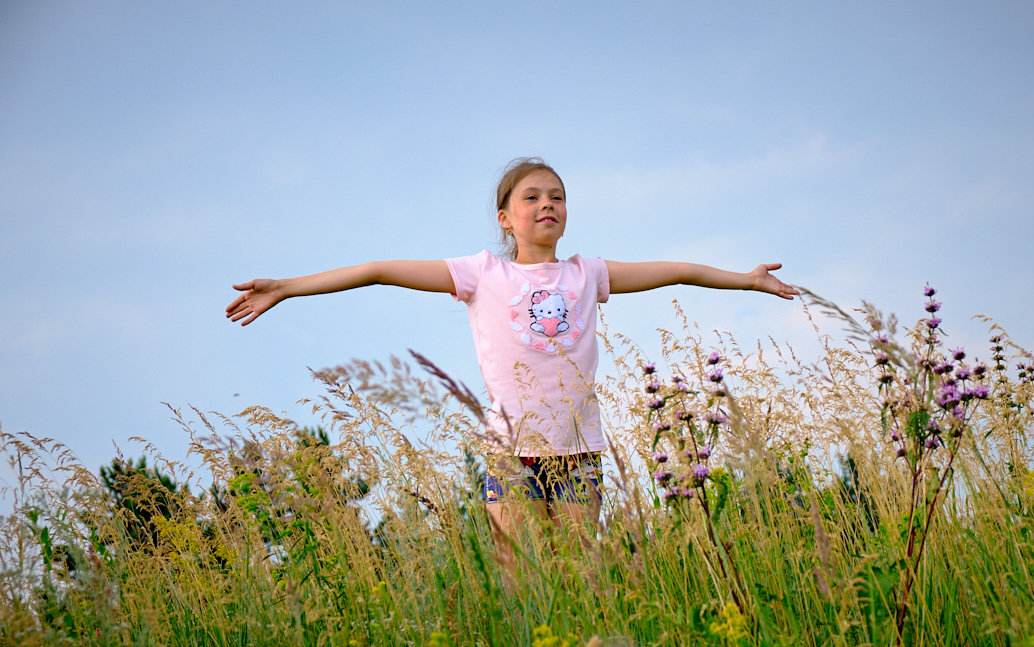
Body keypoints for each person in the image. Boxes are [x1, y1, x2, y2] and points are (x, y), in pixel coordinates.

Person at [226, 157, 798, 568]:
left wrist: (746, 282)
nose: (547, 203)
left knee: (576, 577)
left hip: (579, 450)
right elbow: (378, 268)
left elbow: (679, 270)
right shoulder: (482, 274)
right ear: (505, 218)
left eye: (557, 195)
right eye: (531, 196)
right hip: (511, 451)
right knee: (519, 579)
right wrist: (287, 287)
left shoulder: (587, 273)